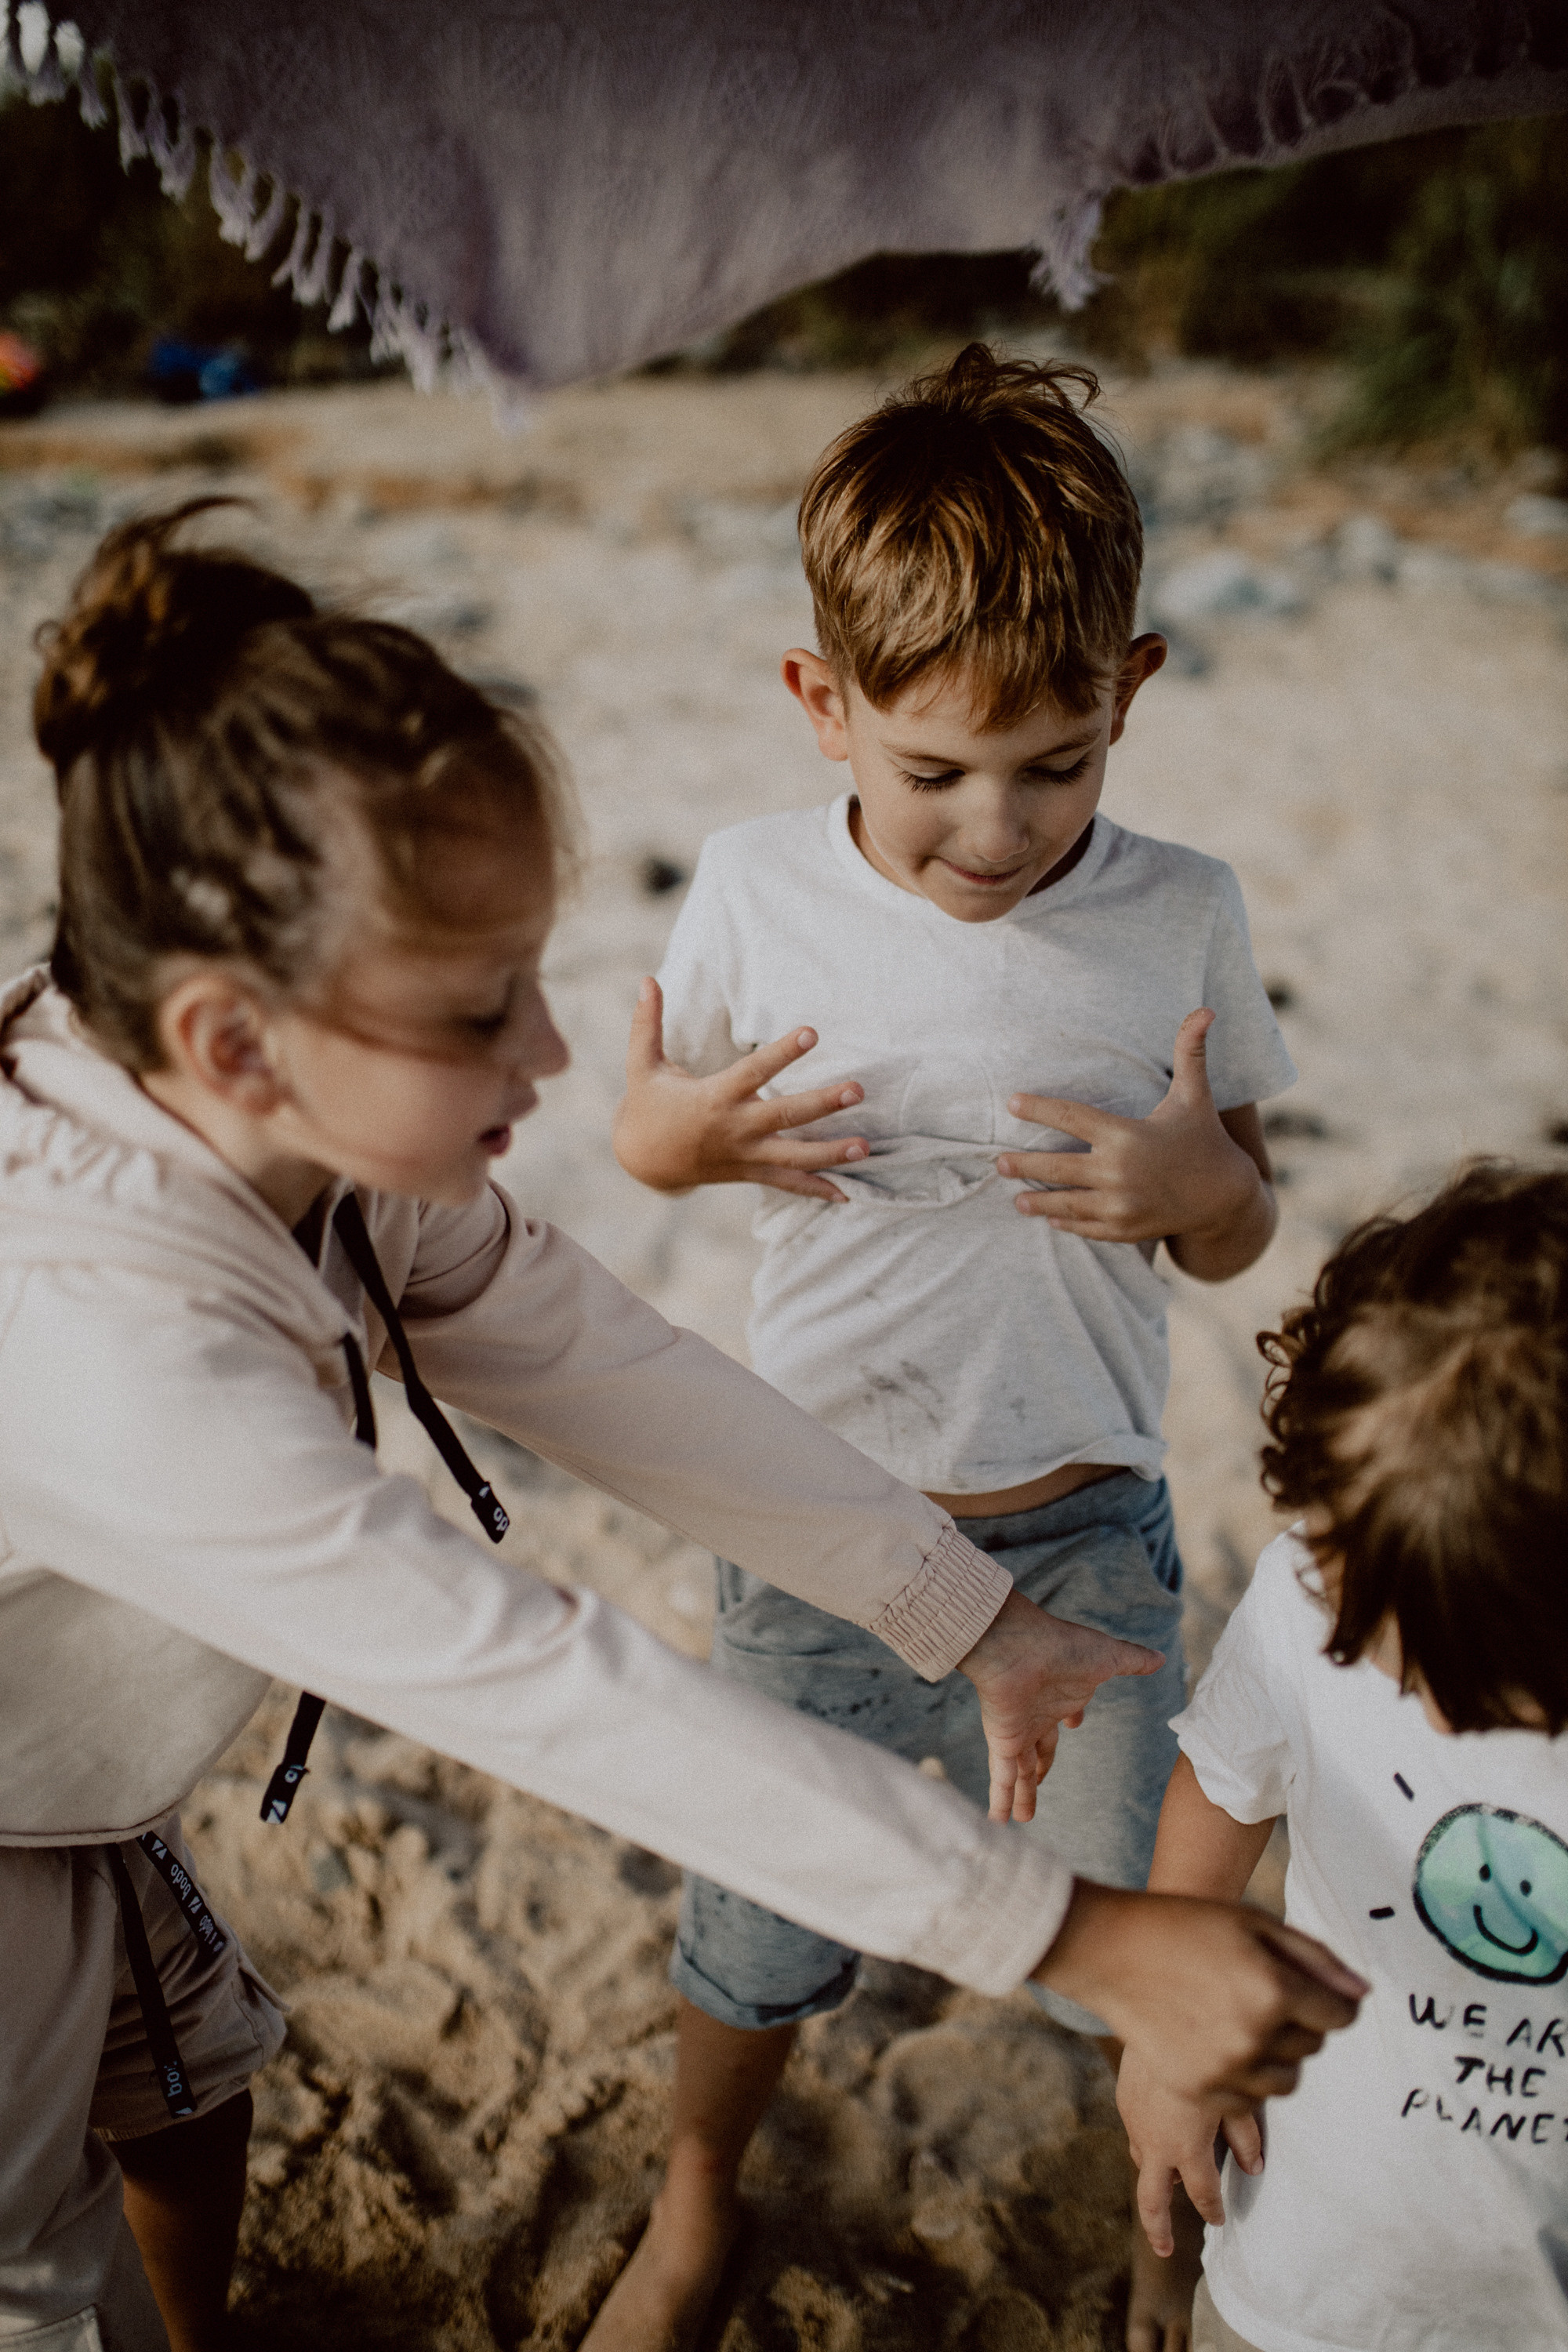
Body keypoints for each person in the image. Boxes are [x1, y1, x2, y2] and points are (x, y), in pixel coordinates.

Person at [0, 504, 1364, 2352]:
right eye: (481, 1013)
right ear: (234, 1040)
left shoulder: (267, 1118)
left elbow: (586, 1350)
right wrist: (1089, 1940)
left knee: (177, 2088)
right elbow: (534, 1682)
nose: (553, 1064)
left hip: (74, 1784)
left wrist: (968, 1615)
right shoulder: (104, 1337)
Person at [608, 343, 1298, 2350]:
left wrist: (1194, 1183)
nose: (991, 833)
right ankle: (697, 2192)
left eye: (1055, 766)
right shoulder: (751, 887)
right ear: (824, 707)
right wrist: (689, 1134)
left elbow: (1244, 1223)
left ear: (1130, 693)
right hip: (819, 1524)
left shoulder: (1182, 914)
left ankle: (1168, 2237)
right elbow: (645, 1137)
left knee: (1152, 1927)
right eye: (930, 773)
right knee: (760, 1917)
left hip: (1083, 1529)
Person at [1119, 1163, 1568, 2352]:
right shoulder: (1318, 1588)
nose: (1337, 1605)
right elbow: (1222, 1790)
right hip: (1324, 2261)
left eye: (1389, 1617)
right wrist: (1166, 2036)